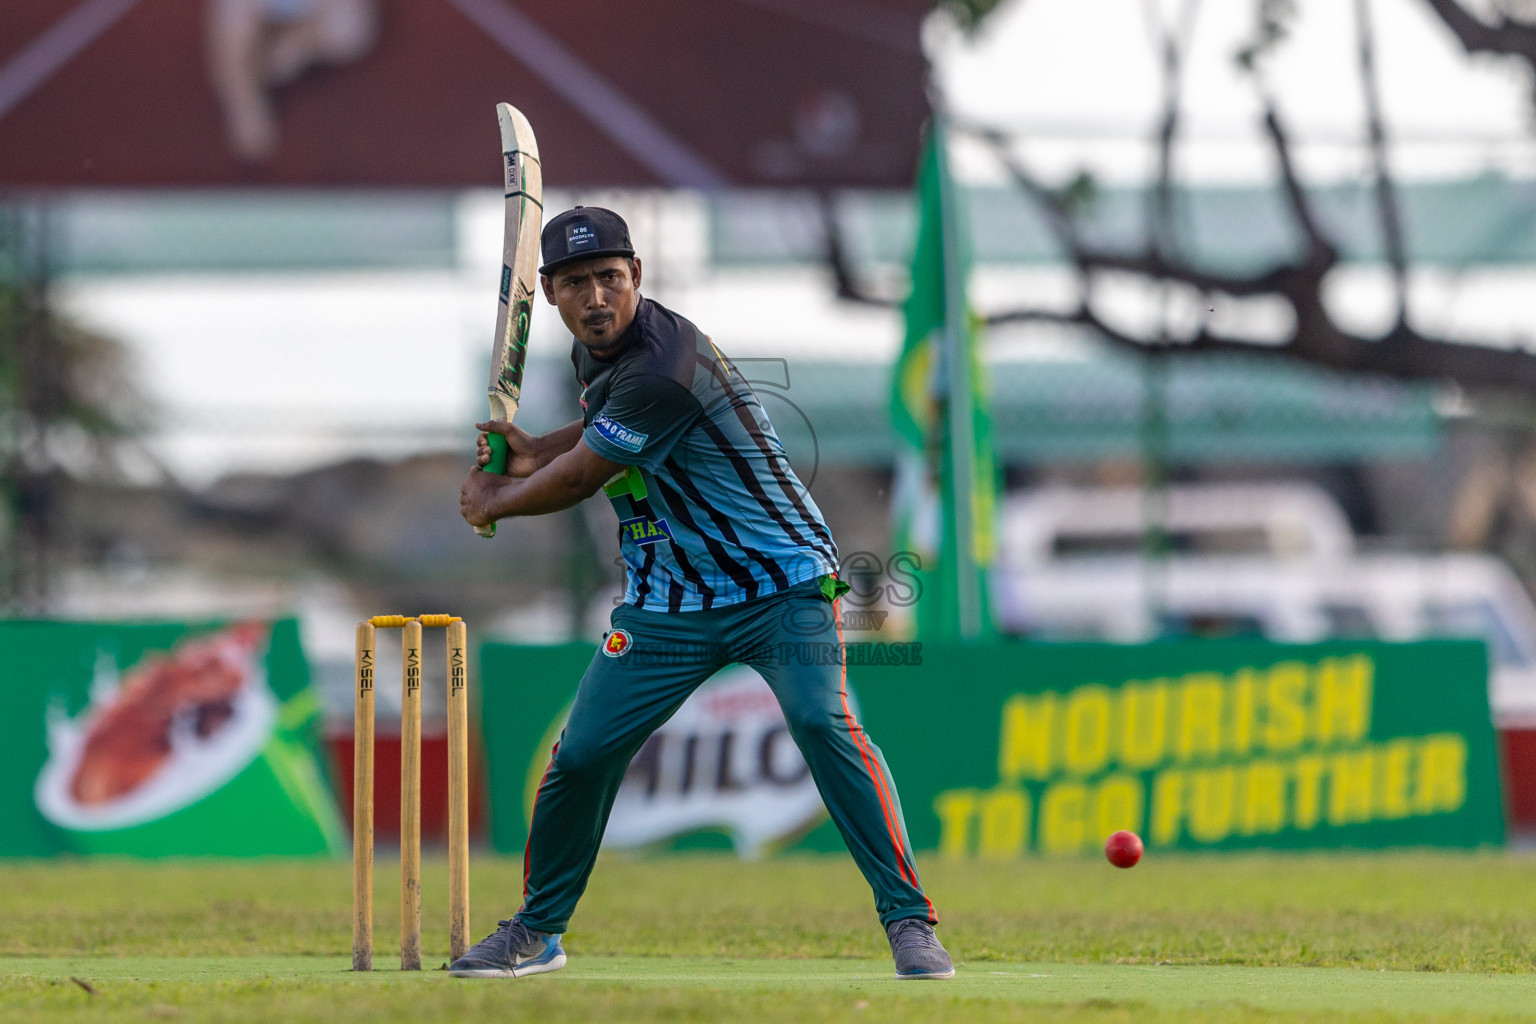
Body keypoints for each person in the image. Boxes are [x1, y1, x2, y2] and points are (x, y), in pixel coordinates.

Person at [455, 207, 953, 981]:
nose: (597, 298)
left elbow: (589, 473)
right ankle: (538, 932)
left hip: (779, 583)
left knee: (825, 725)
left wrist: (496, 501)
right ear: (548, 292)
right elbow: (595, 436)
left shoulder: (664, 359)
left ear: (637, 279)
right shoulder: (604, 363)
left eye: (611, 280)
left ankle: (911, 924)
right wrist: (531, 454)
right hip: (667, 607)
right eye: (578, 283)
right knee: (580, 756)